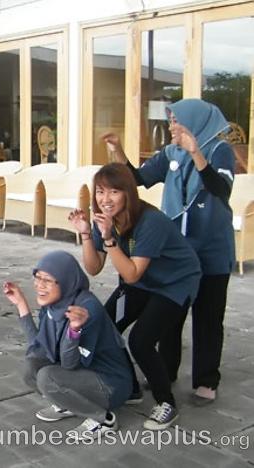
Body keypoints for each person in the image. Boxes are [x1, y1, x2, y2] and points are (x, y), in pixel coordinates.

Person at [103, 99, 235, 406]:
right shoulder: (170, 153)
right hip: (175, 252)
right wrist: (118, 151)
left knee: (208, 317)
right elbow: (137, 179)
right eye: (171, 120)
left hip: (212, 251)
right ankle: (165, 371)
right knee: (170, 314)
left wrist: (195, 152)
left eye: (176, 121)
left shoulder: (220, 150)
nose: (171, 126)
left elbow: (221, 189)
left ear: (195, 123)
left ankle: (206, 381)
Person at [68, 163, 201, 430]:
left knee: (141, 340)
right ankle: (130, 387)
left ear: (128, 193)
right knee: (104, 325)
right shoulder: (104, 219)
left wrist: (108, 239)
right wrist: (85, 233)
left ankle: (166, 403)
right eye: (100, 191)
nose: (105, 199)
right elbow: (94, 268)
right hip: (142, 281)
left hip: (175, 283)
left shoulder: (150, 221)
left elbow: (131, 275)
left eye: (114, 191)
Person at [4, 251, 132, 440]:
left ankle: (104, 419)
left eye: (47, 280)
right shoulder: (55, 303)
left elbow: (69, 363)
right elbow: (38, 348)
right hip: (83, 374)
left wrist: (74, 331)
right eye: (37, 277)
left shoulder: (86, 309)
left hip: (110, 385)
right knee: (31, 367)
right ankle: (68, 403)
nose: (39, 285)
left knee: (47, 378)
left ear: (65, 280)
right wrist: (21, 304)